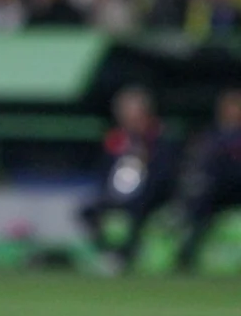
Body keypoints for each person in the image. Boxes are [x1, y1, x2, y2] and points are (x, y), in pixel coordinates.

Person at [79, 85, 179, 274]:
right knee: (89, 211)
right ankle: (108, 252)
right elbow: (105, 170)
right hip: (121, 194)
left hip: (154, 194)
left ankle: (125, 256)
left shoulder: (159, 137)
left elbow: (165, 173)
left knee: (137, 210)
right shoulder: (117, 138)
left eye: (130, 110)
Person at [176, 88, 241, 271]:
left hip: (236, 187)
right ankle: (186, 254)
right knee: (199, 201)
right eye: (230, 107)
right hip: (215, 191)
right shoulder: (209, 136)